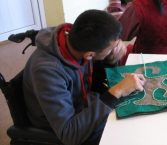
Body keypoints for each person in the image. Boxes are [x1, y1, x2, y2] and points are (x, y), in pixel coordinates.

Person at [22, 9, 146, 145]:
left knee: (137, 120)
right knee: (129, 135)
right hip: (64, 126)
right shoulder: (47, 72)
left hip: (85, 101)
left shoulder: (75, 38)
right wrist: (117, 91)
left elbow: (93, 75)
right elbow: (69, 134)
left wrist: (110, 57)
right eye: (112, 47)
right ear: (89, 55)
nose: (117, 46)